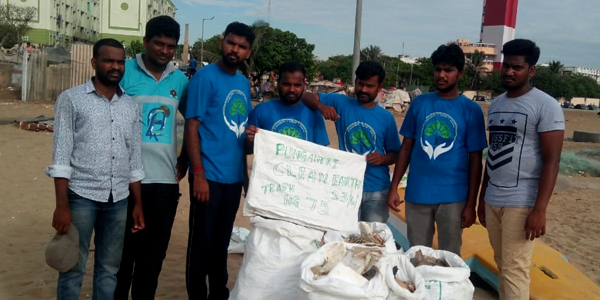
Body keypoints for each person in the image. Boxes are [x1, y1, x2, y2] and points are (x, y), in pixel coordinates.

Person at [45, 38, 145, 300]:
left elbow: (134, 159)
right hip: (81, 197)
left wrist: (137, 204)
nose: (115, 66)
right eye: (108, 60)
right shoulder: (71, 99)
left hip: (119, 200)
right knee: (72, 267)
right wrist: (61, 205)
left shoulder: (130, 106)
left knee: (109, 269)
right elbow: (61, 156)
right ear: (94, 62)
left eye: (120, 61)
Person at [478, 39, 564, 300]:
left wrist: (540, 210)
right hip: (494, 198)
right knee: (502, 263)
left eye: (517, 67)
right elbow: (492, 154)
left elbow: (552, 161)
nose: (509, 72)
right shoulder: (497, 104)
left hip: (522, 202)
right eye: (506, 66)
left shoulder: (545, 105)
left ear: (532, 70)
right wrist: (482, 198)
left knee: (515, 270)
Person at [387, 44, 487, 255]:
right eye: (438, 69)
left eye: (448, 70)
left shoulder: (471, 110)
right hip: (418, 193)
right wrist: (394, 186)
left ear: (460, 73)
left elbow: (476, 160)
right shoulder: (420, 103)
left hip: (453, 196)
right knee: (417, 255)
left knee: (449, 257)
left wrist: (471, 204)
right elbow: (406, 147)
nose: (441, 75)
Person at [114, 16, 189, 300]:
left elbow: (192, 121)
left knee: (153, 257)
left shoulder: (180, 79)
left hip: (165, 183)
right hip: (124, 179)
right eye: (159, 43)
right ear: (146, 42)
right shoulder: (125, 72)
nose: (165, 51)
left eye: (171, 46)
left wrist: (183, 157)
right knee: (122, 256)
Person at [184, 21, 255, 299]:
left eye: (241, 46)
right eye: (231, 43)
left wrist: (246, 178)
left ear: (248, 52)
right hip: (207, 175)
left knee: (221, 242)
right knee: (200, 244)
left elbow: (238, 135)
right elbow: (192, 127)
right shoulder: (204, 78)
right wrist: (198, 173)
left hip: (232, 178)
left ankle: (218, 293)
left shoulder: (242, 83)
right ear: (222, 43)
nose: (234, 49)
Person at [303, 61, 401, 223]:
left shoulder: (387, 118)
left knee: (371, 240)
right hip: (346, 188)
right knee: (345, 238)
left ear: (379, 87)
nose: (363, 89)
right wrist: (321, 107)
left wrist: (383, 159)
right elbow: (305, 96)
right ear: (355, 82)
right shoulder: (340, 103)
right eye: (360, 84)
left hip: (377, 190)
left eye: (370, 86)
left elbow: (396, 154)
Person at [245, 61, 329, 148]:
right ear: (278, 83)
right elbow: (248, 149)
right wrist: (250, 140)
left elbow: (321, 153)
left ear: (304, 85)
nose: (292, 89)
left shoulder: (314, 114)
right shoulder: (261, 111)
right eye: (286, 84)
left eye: (297, 85)